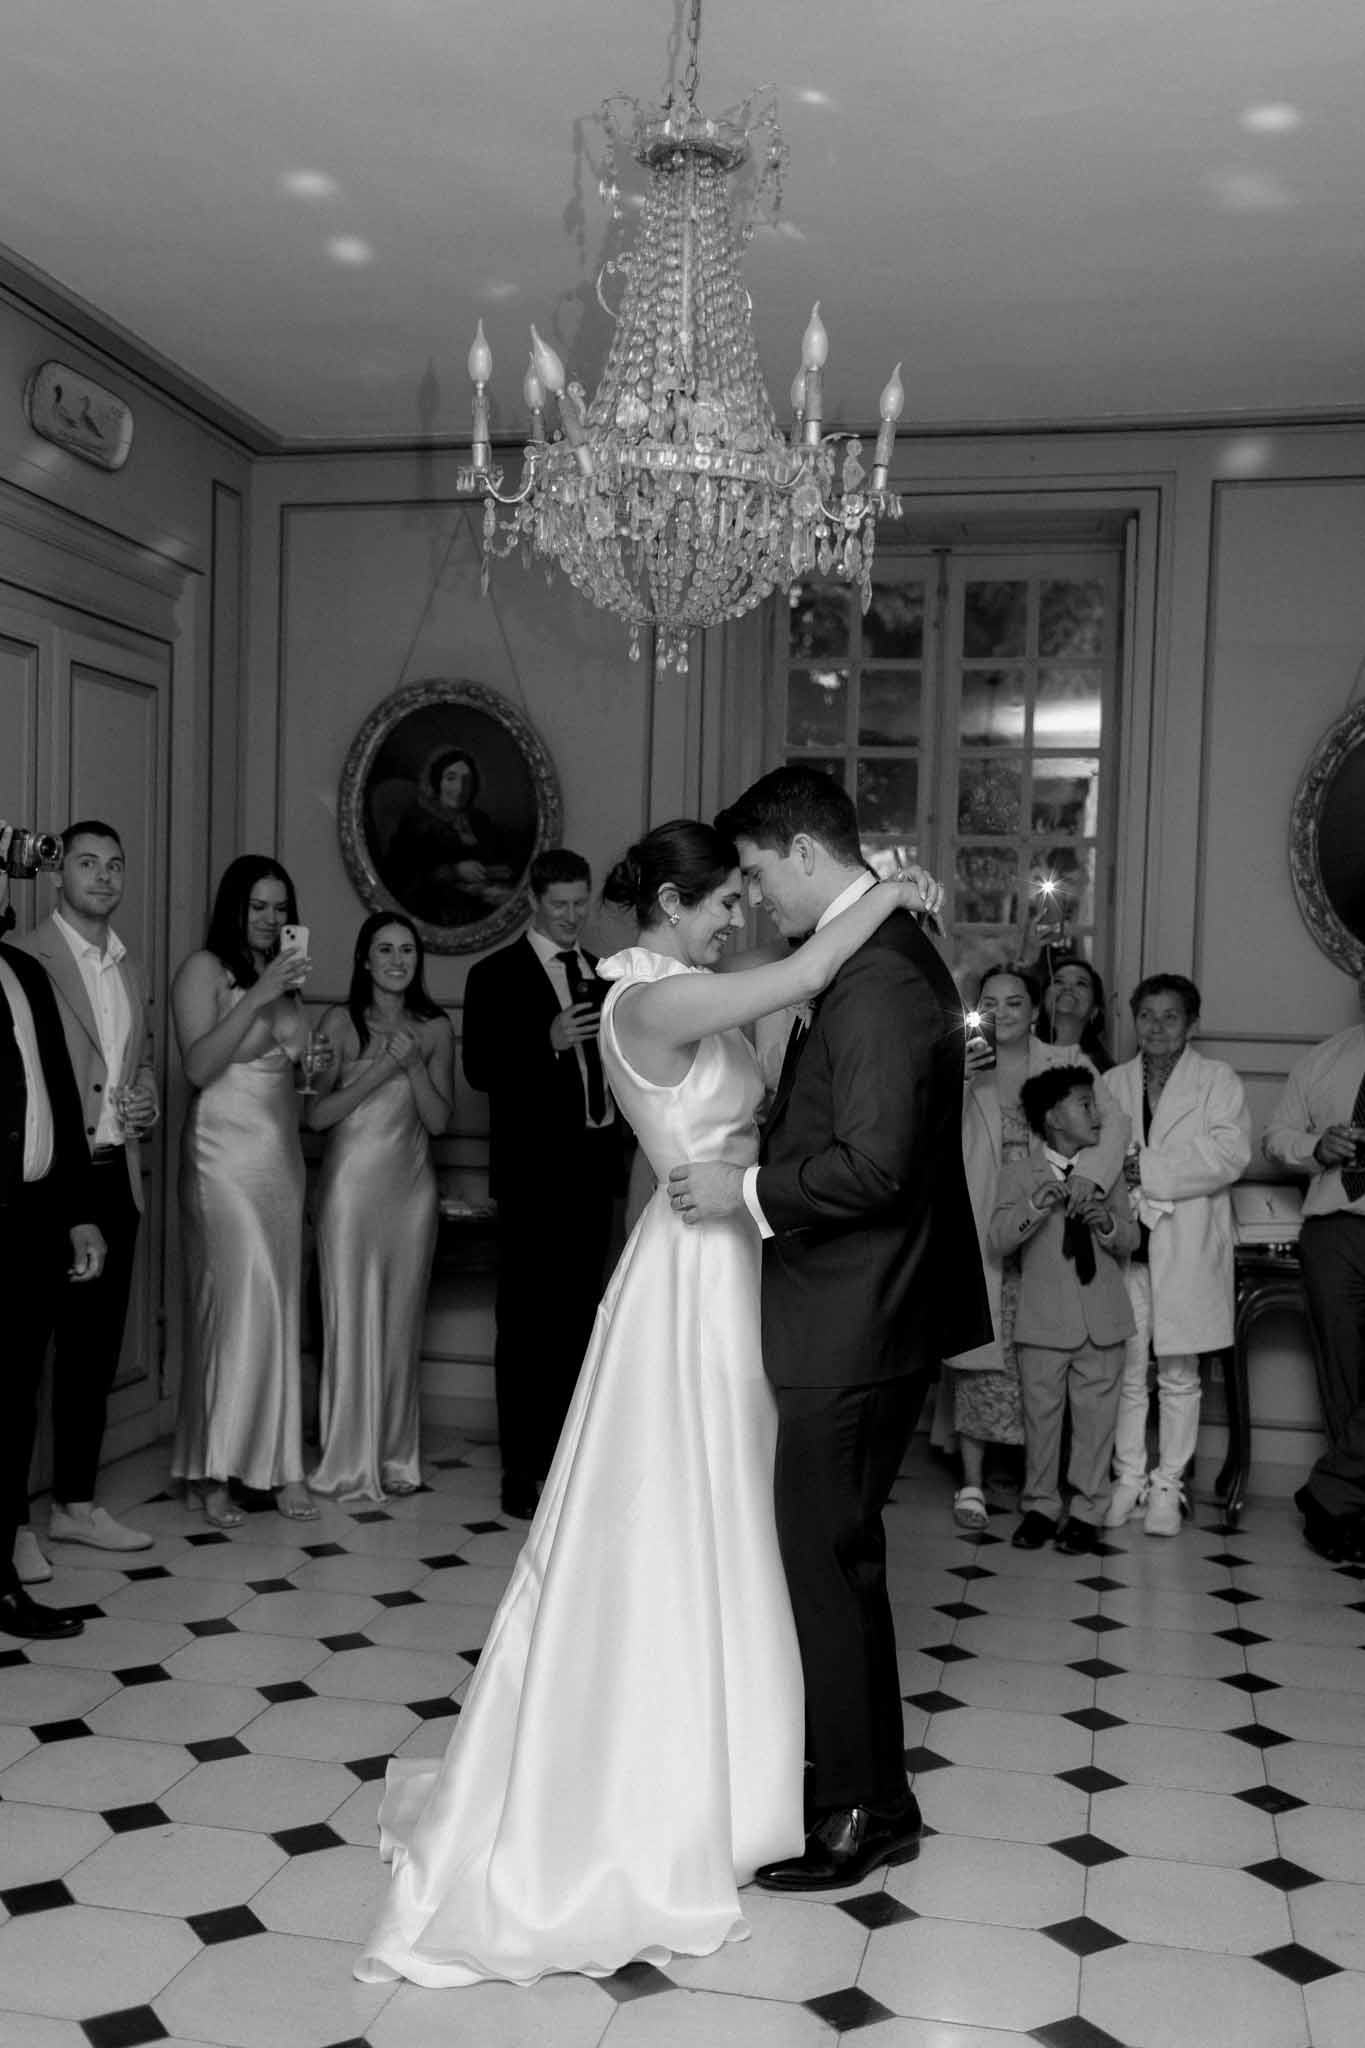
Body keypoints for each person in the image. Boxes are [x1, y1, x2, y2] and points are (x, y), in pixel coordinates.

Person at [355, 821, 933, 1987]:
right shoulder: (639, 1005)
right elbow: (812, 970)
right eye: (724, 900)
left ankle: (756, 1766)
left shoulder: (702, 992)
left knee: (743, 1518)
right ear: (669, 903)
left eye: (743, 896)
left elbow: (773, 1055)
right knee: (680, 1512)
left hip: (731, 1255)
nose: (739, 917)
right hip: (688, 1278)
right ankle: (662, 1773)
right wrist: (889, 891)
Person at [669, 766, 989, 1893]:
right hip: (860, 1309)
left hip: (854, 1317)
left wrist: (746, 1193)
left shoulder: (878, 983)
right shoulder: (873, 959)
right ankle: (875, 1793)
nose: (752, 899)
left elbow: (874, 1165)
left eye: (756, 873)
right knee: (842, 1563)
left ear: (805, 851)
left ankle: (853, 1809)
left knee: (826, 1562)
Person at [12, 820, 157, 1584]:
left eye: (115, 864)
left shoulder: (126, 965)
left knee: (92, 1353)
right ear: (57, 873)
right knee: (24, 1355)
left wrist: (147, 1106)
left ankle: (74, 1503)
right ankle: (13, 1527)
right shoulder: (25, 957)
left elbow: (140, 1065)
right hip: (49, 1182)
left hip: (115, 1172)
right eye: (87, 863)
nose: (103, 876)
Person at [461, 848, 625, 1520]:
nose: (570, 917)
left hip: (594, 1175)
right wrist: (548, 1039)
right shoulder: (493, 974)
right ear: (533, 900)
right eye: (558, 904)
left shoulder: (604, 975)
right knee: (526, 1324)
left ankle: (568, 1462)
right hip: (531, 1181)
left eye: (579, 903)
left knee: (580, 1322)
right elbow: (478, 1068)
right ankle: (520, 1469)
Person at [946, 964, 1126, 1533]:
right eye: (990, 1003)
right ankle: (976, 1480)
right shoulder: (962, 1064)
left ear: (1034, 1008)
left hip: (1051, 1227)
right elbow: (923, 1130)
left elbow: (1111, 1126)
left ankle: (1042, 1489)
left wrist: (1088, 1184)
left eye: (1015, 1001)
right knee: (981, 1346)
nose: (1003, 1012)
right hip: (983, 1216)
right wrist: (951, 1077)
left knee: (1044, 1361)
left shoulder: (1065, 1065)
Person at [170, 855, 317, 1527]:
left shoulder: (288, 986)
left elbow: (298, 1080)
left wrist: (315, 1058)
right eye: (257, 905)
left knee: (278, 1305)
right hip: (220, 1160)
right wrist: (258, 996)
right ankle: (213, 1470)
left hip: (280, 1162)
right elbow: (199, 1066)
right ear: (235, 906)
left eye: (279, 907)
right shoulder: (206, 969)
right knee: (230, 1307)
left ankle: (280, 1466)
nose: (269, 918)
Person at [307, 913, 454, 1501]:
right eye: (384, 950)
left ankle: (396, 1459)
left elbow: (441, 1122)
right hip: (347, 1194)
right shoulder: (337, 1023)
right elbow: (315, 1116)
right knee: (348, 1320)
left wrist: (413, 1064)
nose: (397, 960)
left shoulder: (436, 1028)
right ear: (364, 959)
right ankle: (345, 1461)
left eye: (407, 951)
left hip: (411, 1194)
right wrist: (383, 1069)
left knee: (400, 1325)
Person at [0, 823, 106, 1640]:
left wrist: (77, 1213)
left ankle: (4, 1583)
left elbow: (60, 1105)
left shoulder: (23, 972)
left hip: (33, 1223)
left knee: (11, 1405)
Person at [1104, 974, 1250, 1535]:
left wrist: (1148, 1170)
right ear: (1134, 1020)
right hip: (1128, 1246)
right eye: (1147, 1016)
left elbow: (1228, 1154)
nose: (1157, 1027)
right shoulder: (1114, 1081)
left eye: (1170, 1017)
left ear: (1192, 1024)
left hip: (1187, 1243)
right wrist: (1129, 1175)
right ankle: (1128, 1478)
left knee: (1180, 1372)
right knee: (1127, 1369)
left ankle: (1169, 1485)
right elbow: (1097, 1151)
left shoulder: (1217, 1080)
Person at [993, 1066, 1138, 1556]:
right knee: (1041, 1420)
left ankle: (1088, 1510)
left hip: (1103, 1318)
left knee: (1098, 1423)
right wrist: (1034, 1206)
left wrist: (1107, 1226)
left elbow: (1131, 1238)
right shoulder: (1018, 1174)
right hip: (1043, 1322)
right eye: (1085, 1104)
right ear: (1054, 1116)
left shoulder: (1106, 1170)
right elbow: (997, 1239)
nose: (1096, 1114)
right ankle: (1040, 1506)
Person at [1264, 968, 1365, 1562]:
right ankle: (1347, 1516)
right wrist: (1314, 1148)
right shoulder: (1325, 1059)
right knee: (1342, 1374)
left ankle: (1329, 1494)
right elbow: (1275, 1136)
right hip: (1333, 1227)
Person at [385, 749, 515, 928]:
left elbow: (497, 860)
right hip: (437, 915)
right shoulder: (416, 822)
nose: (460, 788)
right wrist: (455, 871)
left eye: (467, 780)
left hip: (483, 908)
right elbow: (402, 879)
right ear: (437, 781)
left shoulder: (479, 820)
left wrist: (493, 882)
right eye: (451, 778)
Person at [1036, 953, 1114, 1071]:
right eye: (1058, 981)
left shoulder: (1110, 1074)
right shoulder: (1018, 1058)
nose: (1067, 988)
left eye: (1080, 983)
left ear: (1094, 1011)